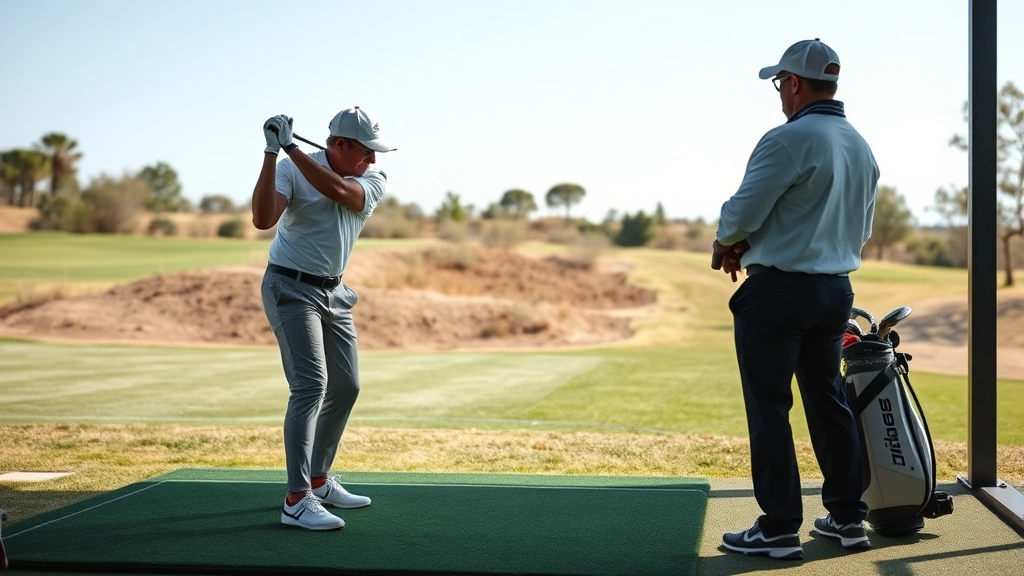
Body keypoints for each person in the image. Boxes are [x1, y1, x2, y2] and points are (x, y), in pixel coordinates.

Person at [713, 39, 879, 560]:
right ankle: (848, 519)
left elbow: (742, 212)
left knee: (769, 406)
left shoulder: (788, 139)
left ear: (795, 83)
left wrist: (728, 241)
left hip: (779, 293)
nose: (779, 94)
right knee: (829, 402)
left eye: (780, 83)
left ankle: (780, 526)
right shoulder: (860, 144)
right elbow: (861, 229)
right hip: (834, 292)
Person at [252, 106, 396, 530]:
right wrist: (270, 153)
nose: (373, 159)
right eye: (366, 150)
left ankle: (317, 478)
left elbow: (340, 193)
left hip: (335, 292)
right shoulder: (291, 168)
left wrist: (291, 147)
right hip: (289, 288)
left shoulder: (372, 180)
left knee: (347, 386)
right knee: (310, 385)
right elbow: (263, 219)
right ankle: (297, 499)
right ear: (341, 144)